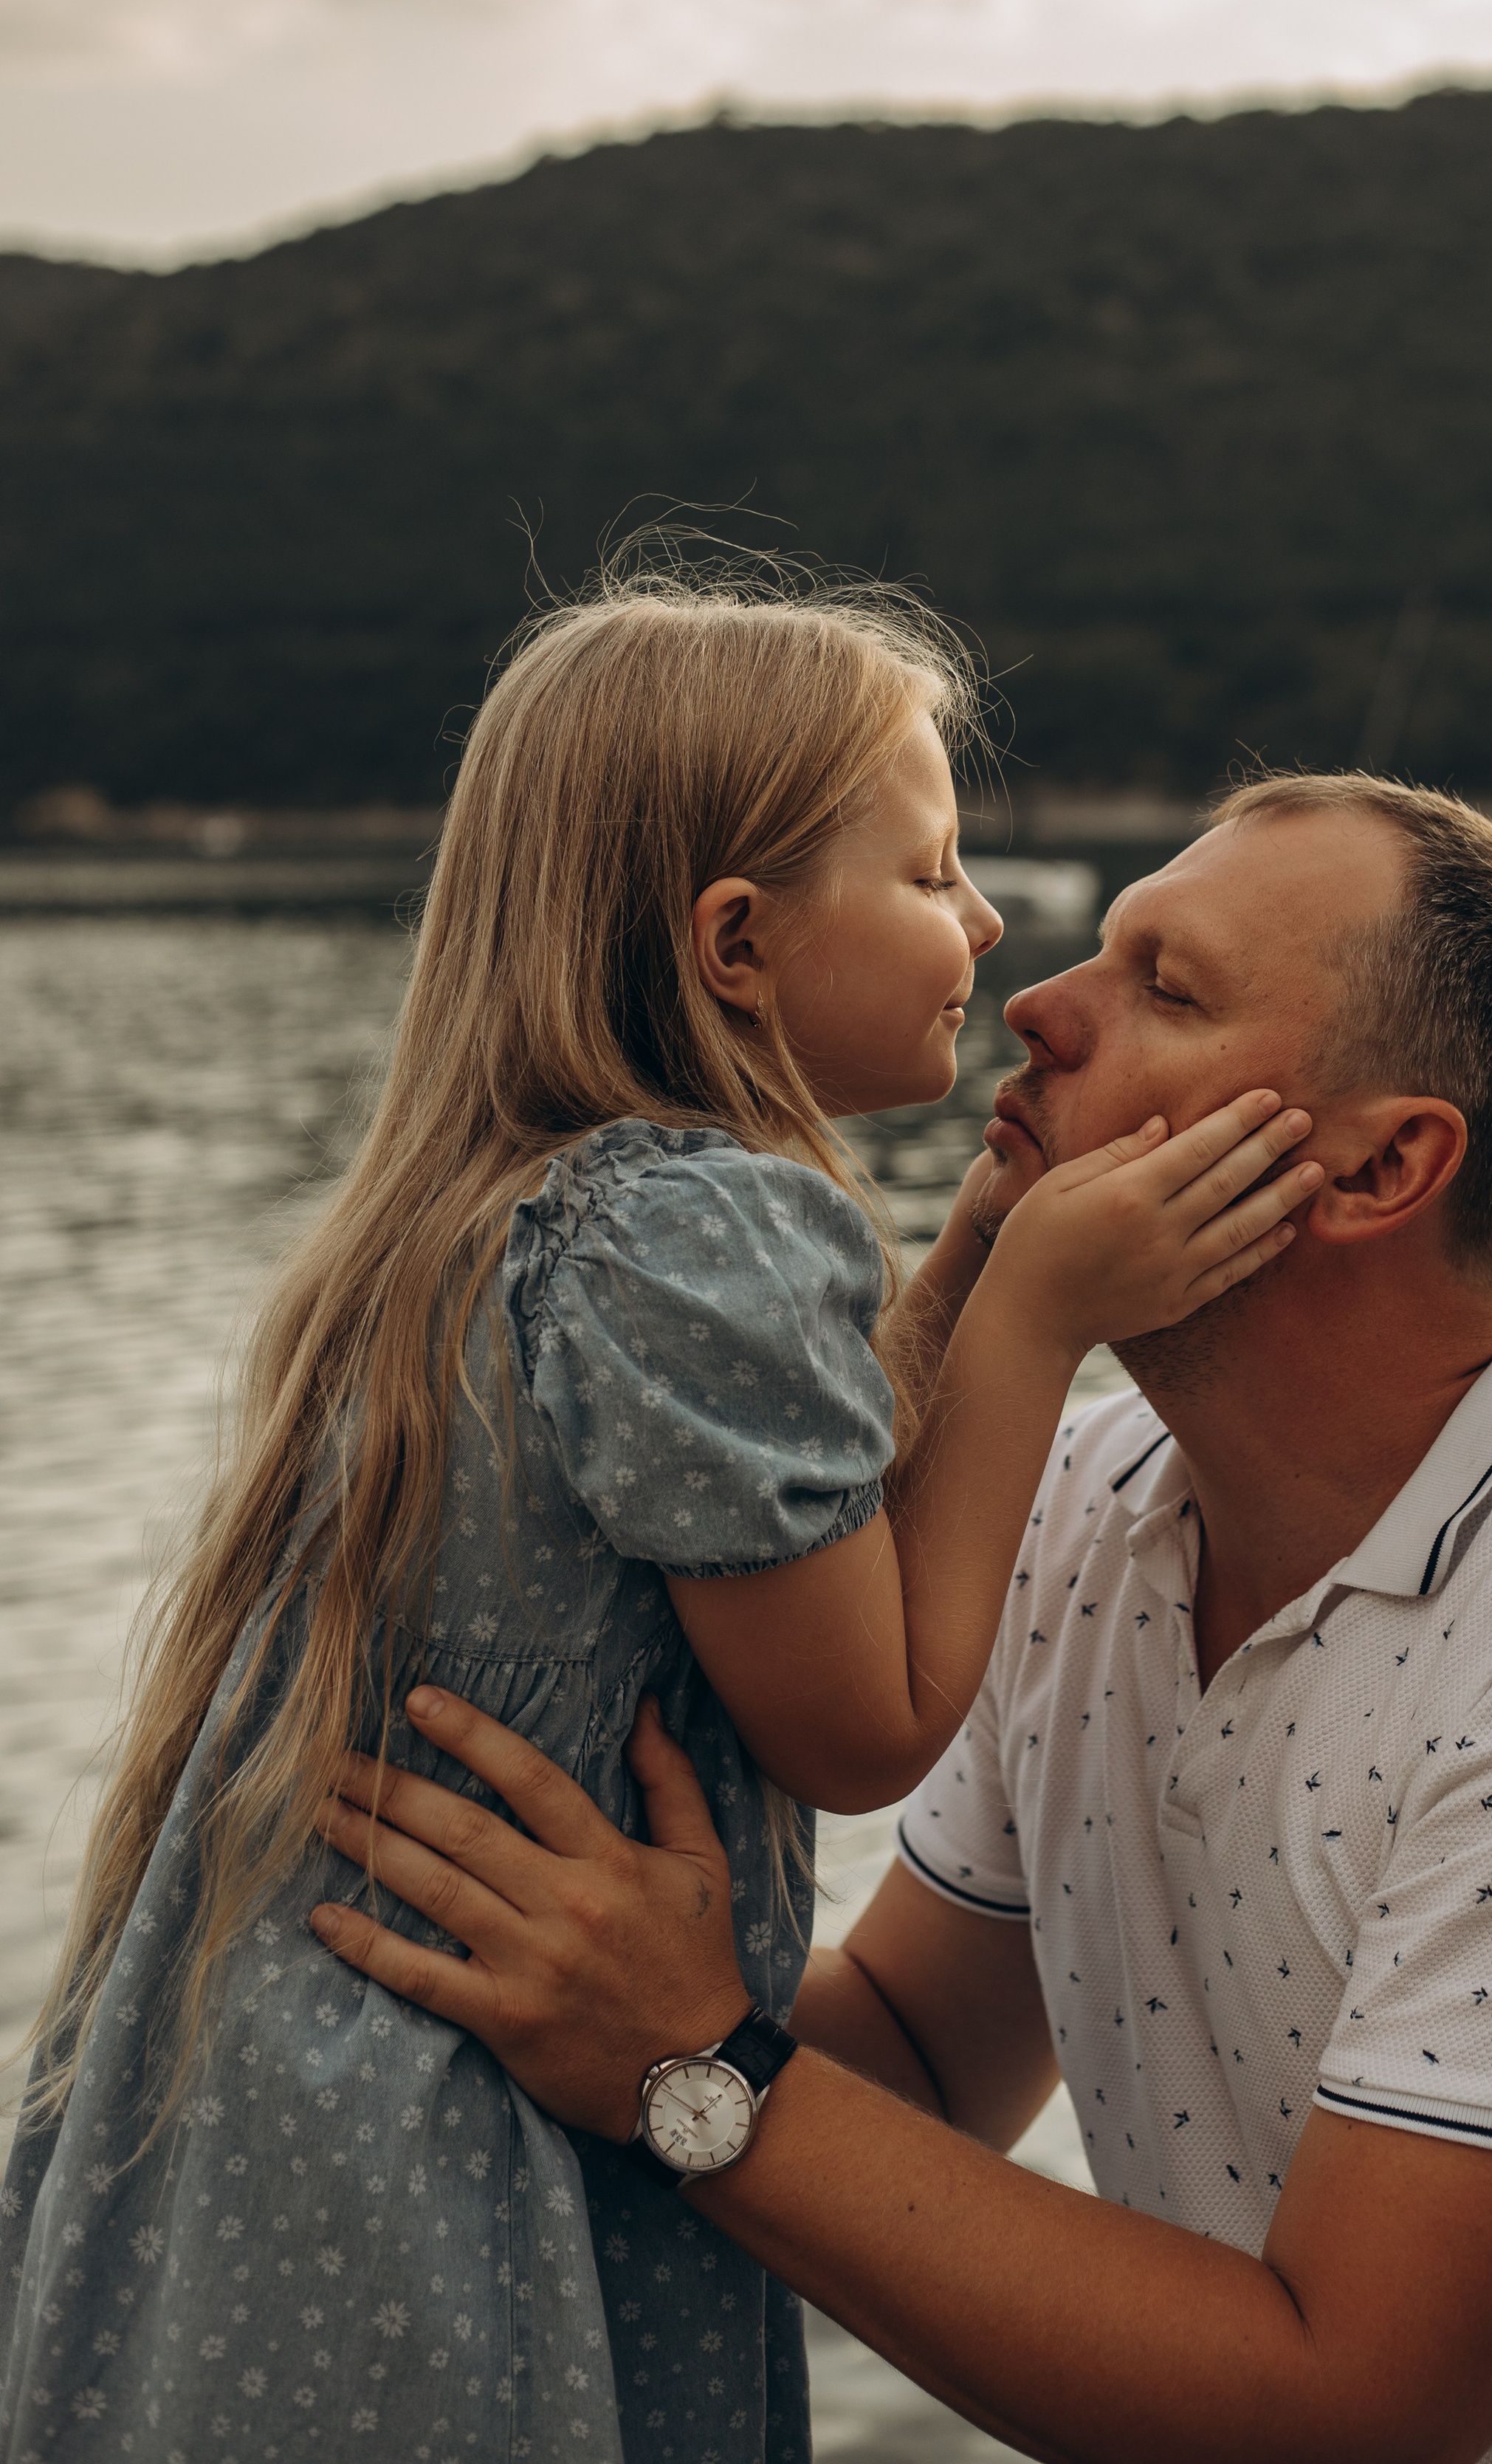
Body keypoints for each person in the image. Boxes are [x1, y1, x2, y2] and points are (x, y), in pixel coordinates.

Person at [300, 774, 1492, 2463]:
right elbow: (920, 2052)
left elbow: (1334, 2416)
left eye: (1166, 988)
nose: (1038, 1006)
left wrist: (689, 2072)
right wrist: (538, 1969)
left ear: (1376, 1165)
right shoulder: (1080, 1499)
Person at [0, 569, 1316, 2464]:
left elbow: (802, 1501)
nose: (984, 924)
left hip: (282, 2115)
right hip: (454, 2161)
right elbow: (859, 1722)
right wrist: (1043, 1311)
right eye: (932, 871)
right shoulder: (700, 1231)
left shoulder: (513, 1213)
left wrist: (958, 1271)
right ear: (732, 940)